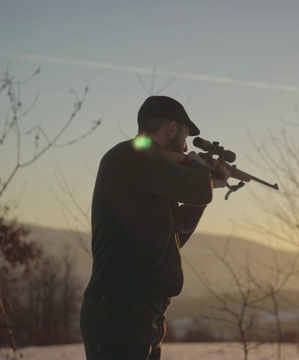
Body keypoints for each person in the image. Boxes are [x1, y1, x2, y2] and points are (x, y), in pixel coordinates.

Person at [79, 95, 229, 360]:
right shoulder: (134, 154)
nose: (185, 147)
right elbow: (196, 188)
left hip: (144, 311)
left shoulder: (152, 171)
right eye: (184, 137)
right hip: (121, 309)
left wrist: (207, 186)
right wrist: (198, 167)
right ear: (171, 129)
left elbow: (176, 232)